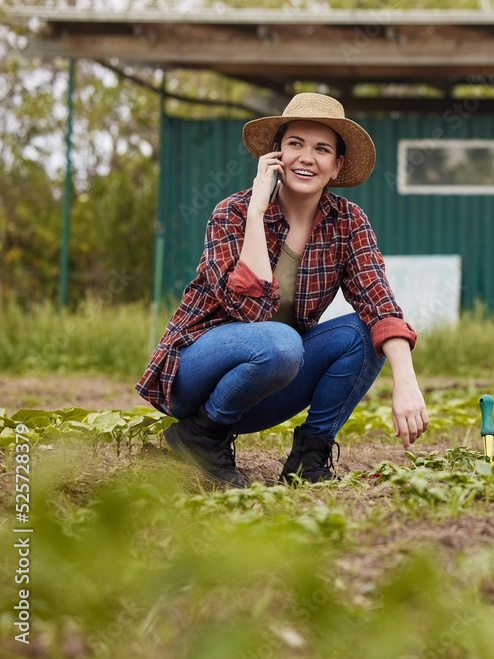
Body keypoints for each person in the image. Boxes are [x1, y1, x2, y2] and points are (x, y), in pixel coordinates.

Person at [137, 93, 429, 488]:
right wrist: (257, 213)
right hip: (196, 373)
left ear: (337, 164)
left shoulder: (348, 221)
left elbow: (379, 302)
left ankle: (310, 456)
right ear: (276, 155)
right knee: (281, 341)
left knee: (364, 334)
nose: (307, 158)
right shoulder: (233, 213)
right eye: (296, 145)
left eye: (322, 149)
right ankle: (201, 433)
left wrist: (406, 381)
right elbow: (249, 311)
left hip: (266, 383)